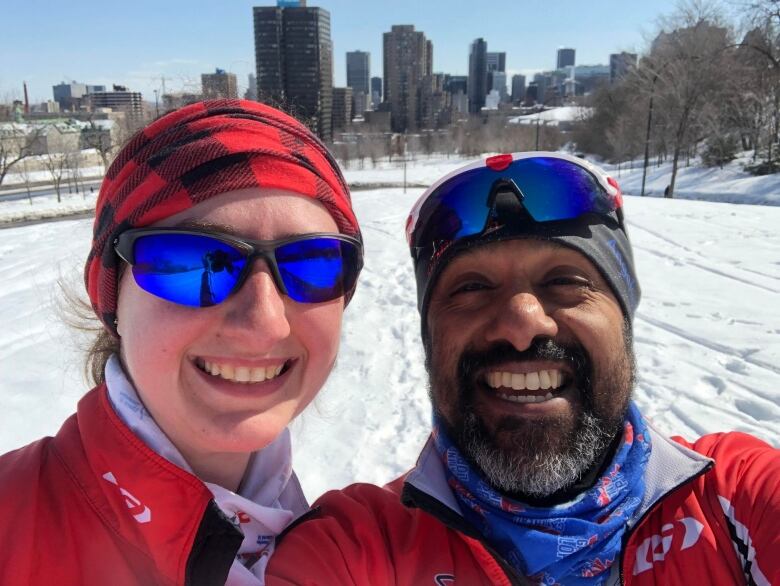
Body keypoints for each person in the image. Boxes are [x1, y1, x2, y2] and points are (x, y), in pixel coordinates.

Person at [266, 152, 779, 585]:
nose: (522, 323)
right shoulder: (355, 552)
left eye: (564, 280)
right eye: (471, 288)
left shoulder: (734, 497)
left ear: (622, 316)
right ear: (430, 340)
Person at [0, 99, 363, 586]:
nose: (264, 323)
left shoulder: (327, 544)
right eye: (193, 262)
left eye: (311, 265)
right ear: (110, 300)